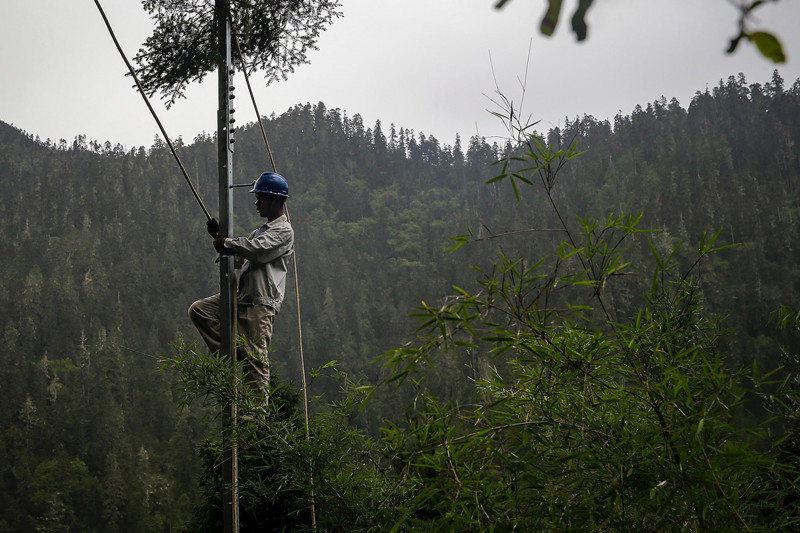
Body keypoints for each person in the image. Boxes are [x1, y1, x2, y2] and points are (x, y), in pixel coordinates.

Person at [188, 172, 294, 404]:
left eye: (261, 199)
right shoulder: (260, 231)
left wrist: (226, 242)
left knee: (256, 361)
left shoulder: (283, 231)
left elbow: (256, 250)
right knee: (200, 310)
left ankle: (258, 418)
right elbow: (240, 258)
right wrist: (219, 238)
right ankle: (234, 353)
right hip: (242, 297)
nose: (257, 203)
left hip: (260, 304)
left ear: (275, 201)